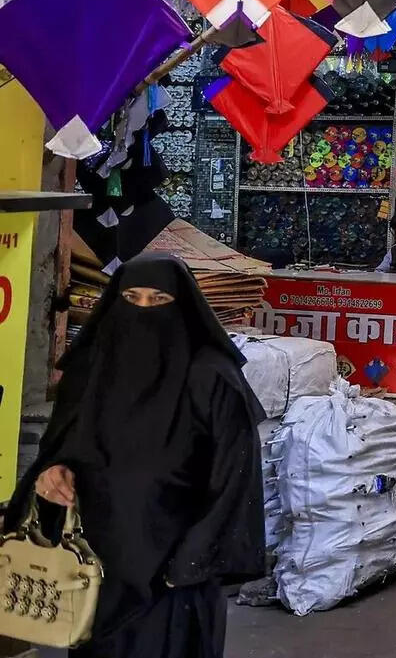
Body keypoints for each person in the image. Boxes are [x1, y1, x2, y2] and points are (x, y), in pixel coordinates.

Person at [9, 253, 265, 658]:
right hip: (96, 567)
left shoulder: (211, 377)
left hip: (174, 578)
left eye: (158, 300)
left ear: (182, 306)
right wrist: (52, 474)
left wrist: (191, 563)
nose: (143, 310)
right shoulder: (92, 369)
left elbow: (236, 478)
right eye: (131, 298)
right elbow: (60, 447)